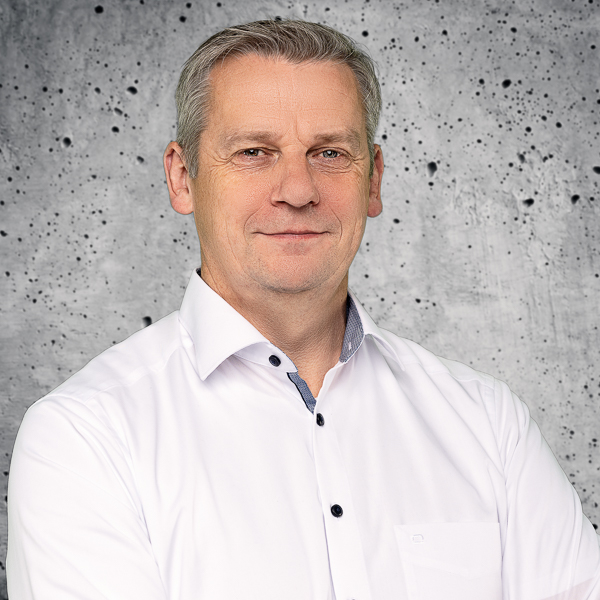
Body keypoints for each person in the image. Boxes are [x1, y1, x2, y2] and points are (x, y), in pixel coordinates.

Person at [6, 18, 600, 600]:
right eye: (254, 152)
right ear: (182, 178)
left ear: (373, 180)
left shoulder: (488, 425)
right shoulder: (85, 438)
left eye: (330, 153)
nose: (297, 189)